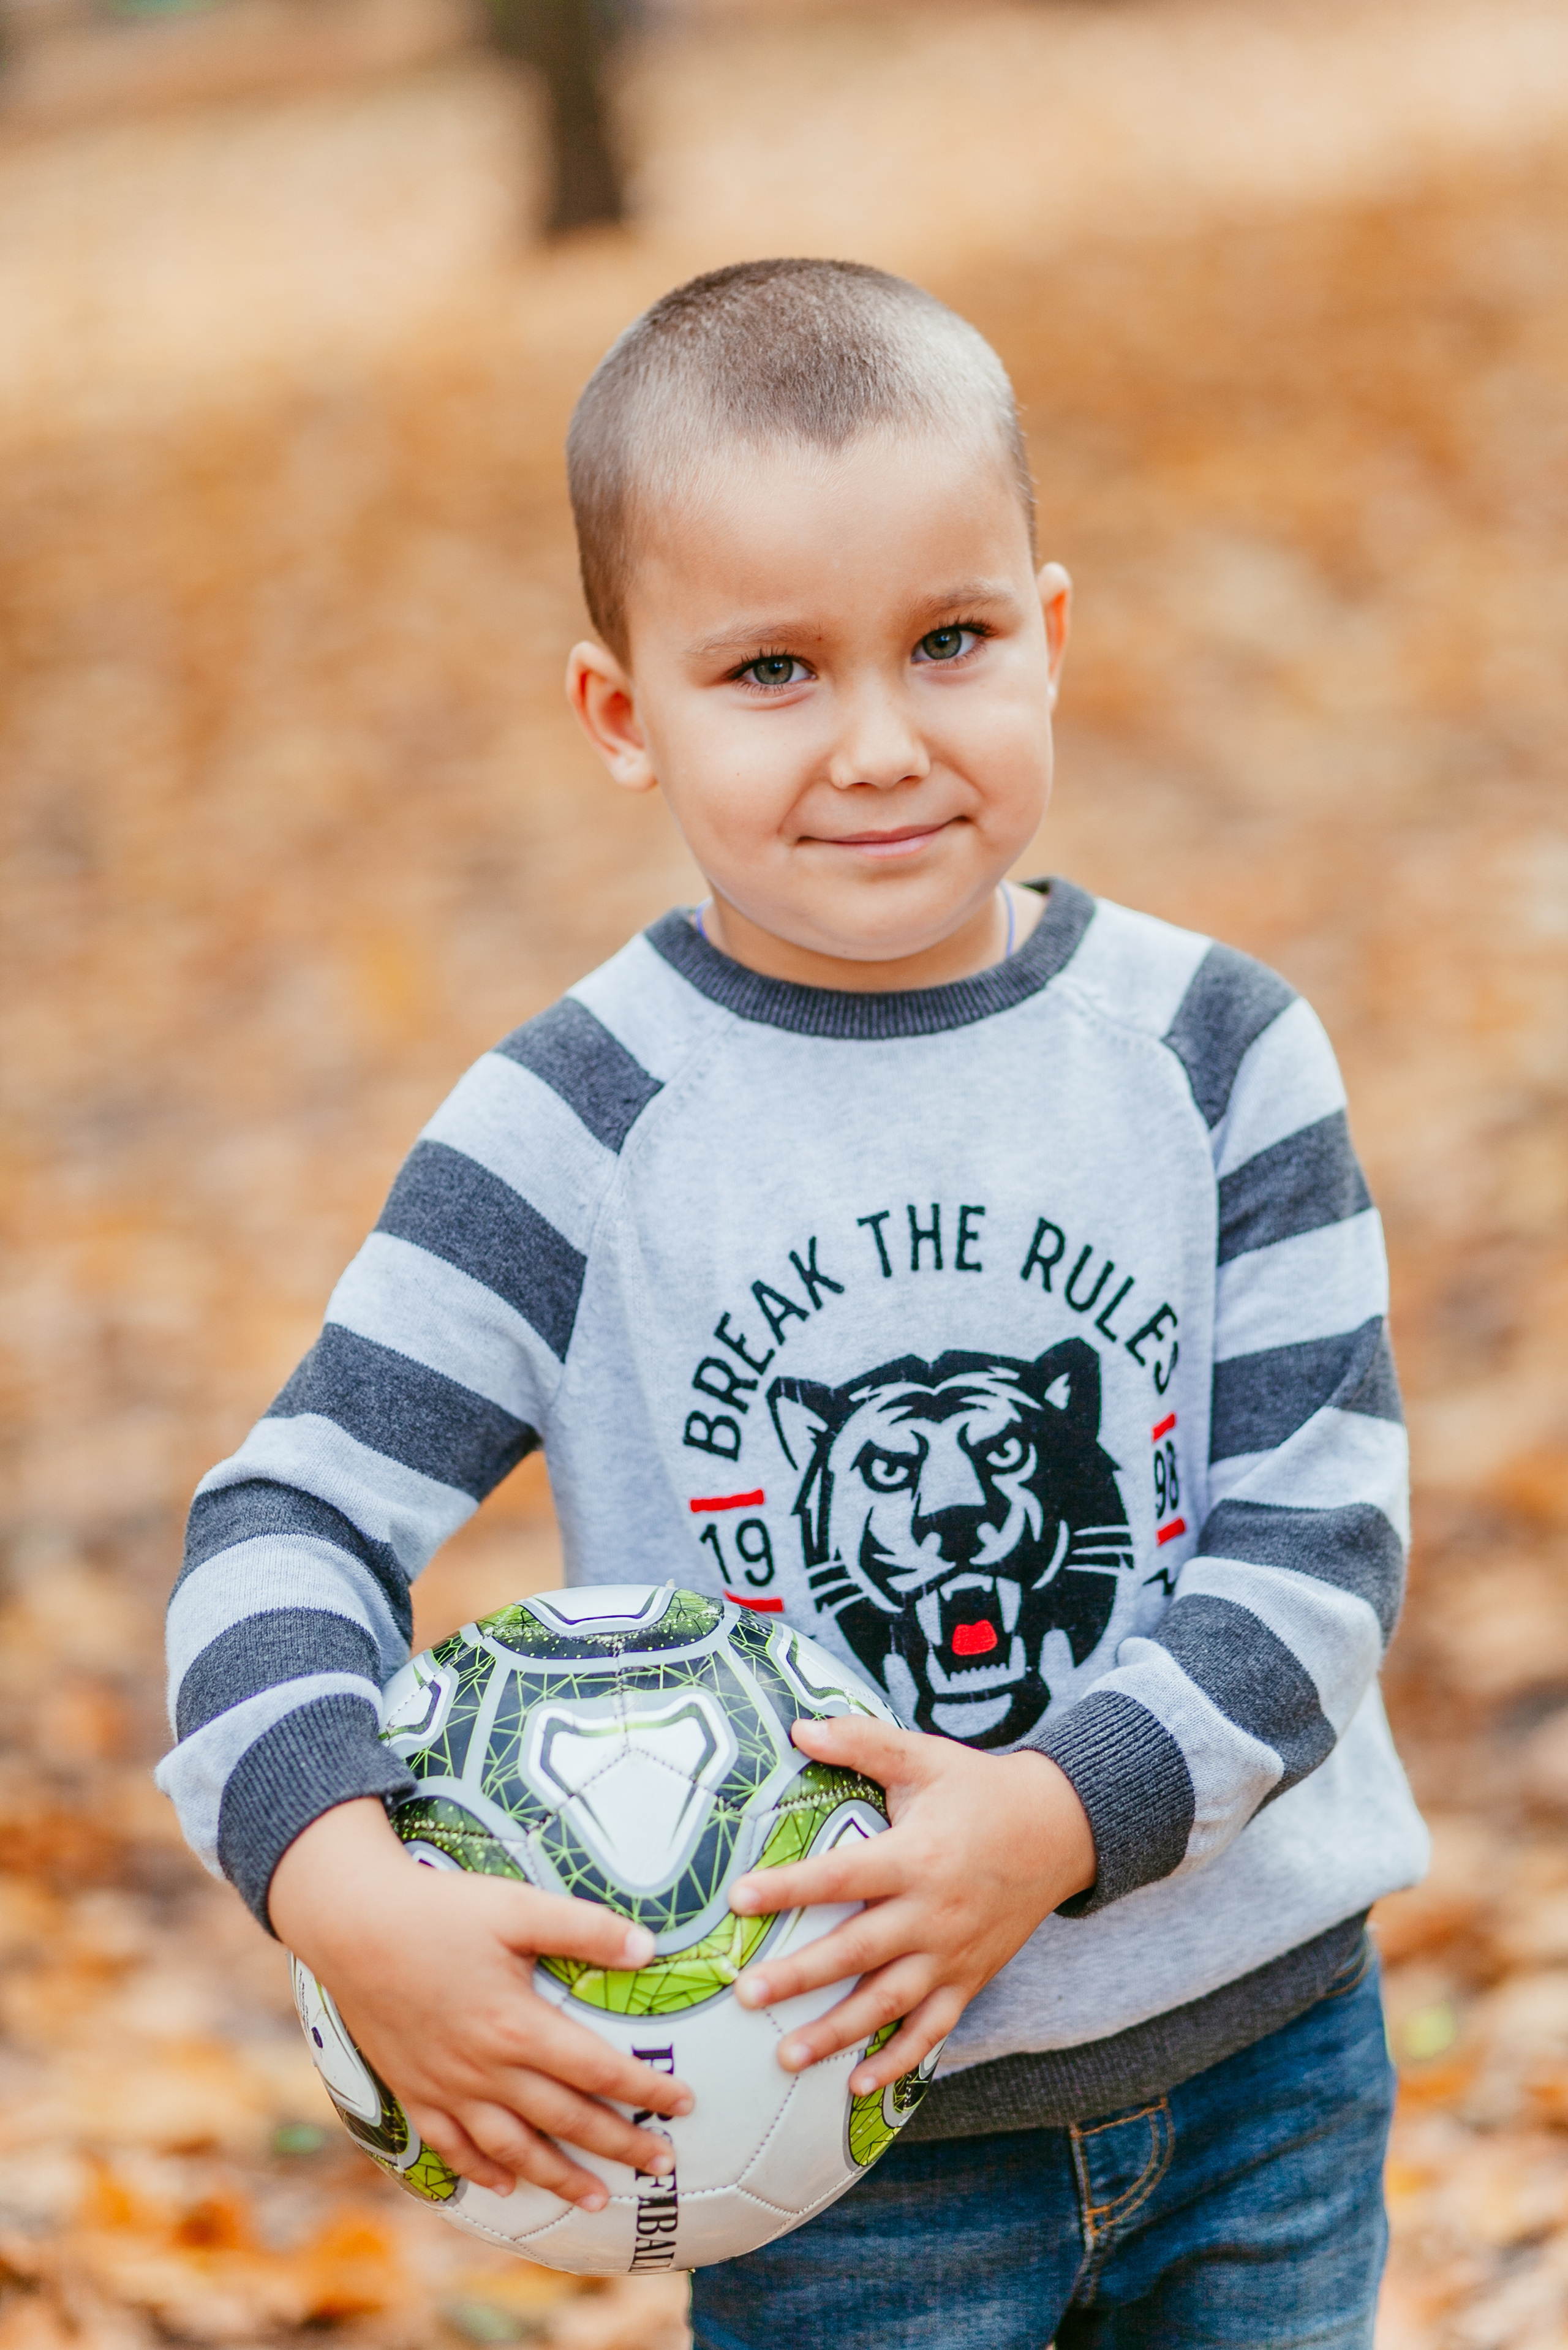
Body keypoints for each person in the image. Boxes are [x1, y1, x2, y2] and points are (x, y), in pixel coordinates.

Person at [157, 258, 1428, 2348]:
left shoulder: (1214, 1049)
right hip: (819, 2142)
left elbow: (1324, 1532)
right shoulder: (577, 1124)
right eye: (769, 670)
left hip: (1262, 2063)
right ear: (620, 714)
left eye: (952, 642)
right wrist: (340, 1885)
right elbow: (284, 1518)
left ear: (1052, 634)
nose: (878, 744)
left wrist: (1050, 1817)